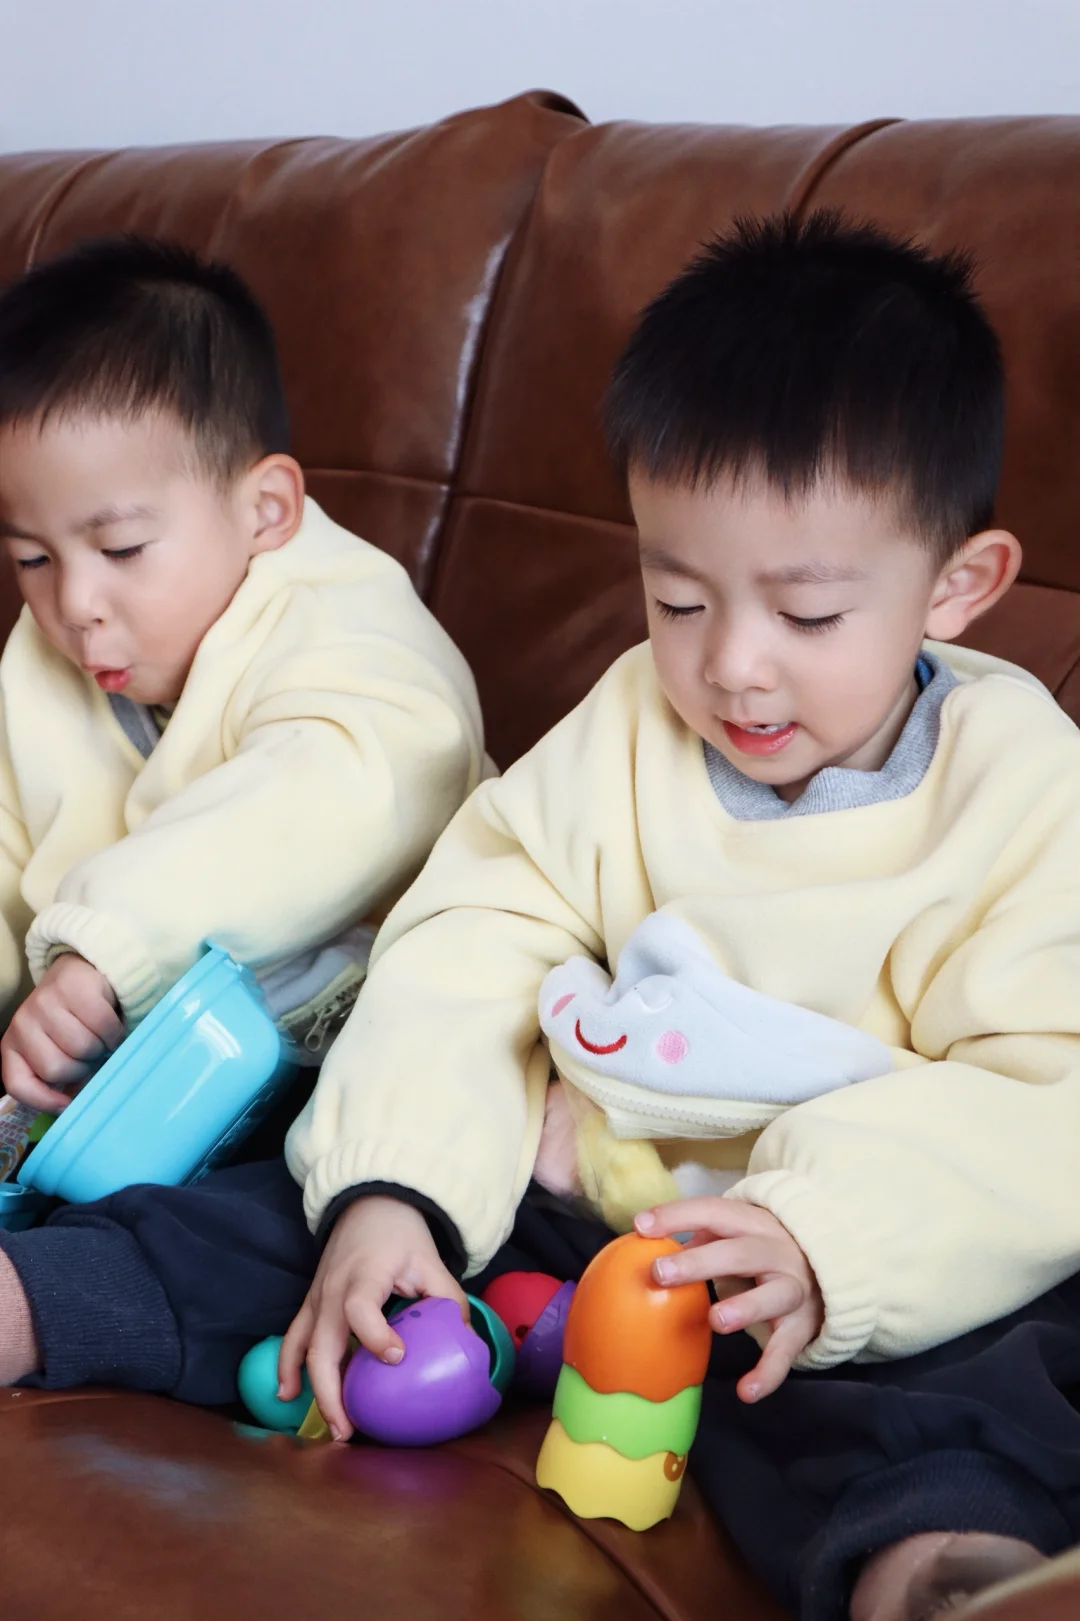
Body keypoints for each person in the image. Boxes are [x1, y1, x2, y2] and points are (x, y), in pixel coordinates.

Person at [281, 214, 1080, 1621]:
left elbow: (1049, 1087)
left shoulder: (1023, 787)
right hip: (592, 1201)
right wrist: (396, 1186)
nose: (732, 667)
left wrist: (826, 1242)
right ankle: (42, 1298)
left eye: (808, 616)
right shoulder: (628, 726)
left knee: (985, 1363)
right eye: (678, 596)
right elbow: (475, 928)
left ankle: (942, 1566)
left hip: (841, 1254)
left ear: (959, 586)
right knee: (287, 1200)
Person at [0, 237, 484, 1405]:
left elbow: (340, 790)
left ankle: (40, 1303)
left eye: (121, 548)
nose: (76, 603)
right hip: (139, 1088)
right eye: (30, 557)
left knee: (302, 1208)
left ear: (266, 507)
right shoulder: (47, 663)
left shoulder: (353, 636)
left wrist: (103, 949)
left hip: (343, 1065)